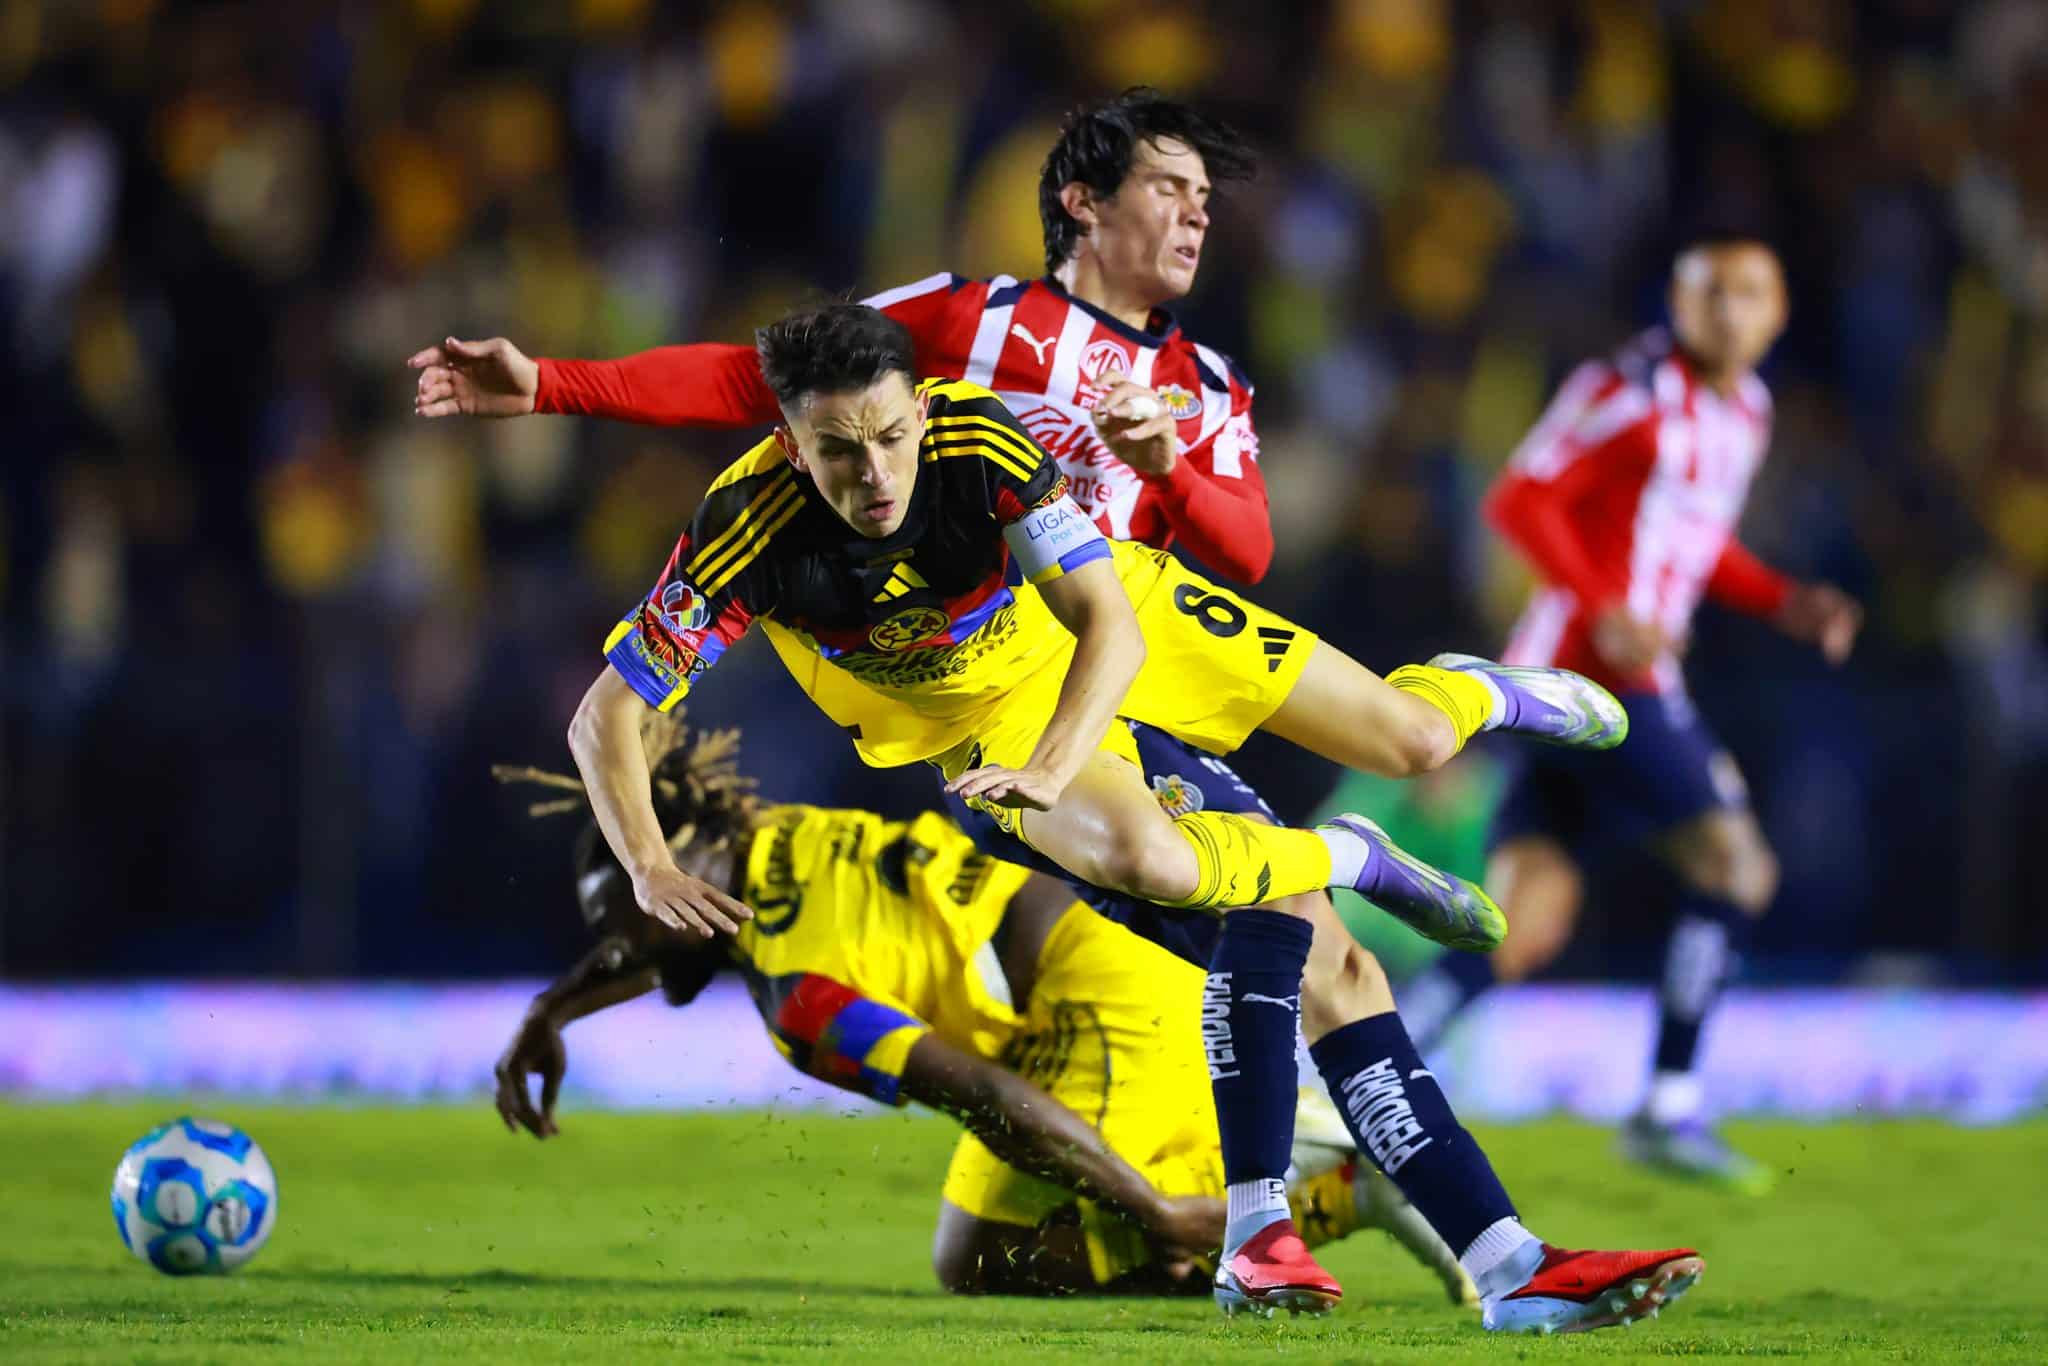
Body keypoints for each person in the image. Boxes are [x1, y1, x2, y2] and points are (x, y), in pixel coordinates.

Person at [409, 88, 1584, 1315]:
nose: (1195, 217)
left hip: (1120, 612)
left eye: (1203, 200)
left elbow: (1240, 548)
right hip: (1029, 688)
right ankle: (1412, 1242)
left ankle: (1459, 715)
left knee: (1400, 741)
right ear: (1082, 199)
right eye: (1168, 190)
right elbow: (759, 375)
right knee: (1283, 931)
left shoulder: (1201, 382)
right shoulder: (960, 324)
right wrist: (552, 382)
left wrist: (1162, 462)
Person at [552, 301, 1701, 1331]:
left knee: (1407, 740)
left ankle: (1484, 689)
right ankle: (1486, 1257)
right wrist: (646, 865)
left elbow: (1106, 617)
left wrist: (1060, 763)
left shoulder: (974, 439)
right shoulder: (743, 529)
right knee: (1207, 889)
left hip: (1115, 630)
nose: (875, 474)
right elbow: (604, 715)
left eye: (890, 435)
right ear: (789, 444)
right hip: (984, 728)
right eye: (836, 452)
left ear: (919, 408)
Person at [491, 715, 1703, 1335]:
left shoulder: (798, 1000)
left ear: (674, 886)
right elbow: (655, 929)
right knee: (973, 1257)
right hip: (1062, 967)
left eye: (631, 927)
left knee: (1009, 1247)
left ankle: (1329, 1191)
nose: (633, 954)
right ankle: (1279, 1192)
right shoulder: (763, 841)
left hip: (1085, 995)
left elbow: (971, 1087)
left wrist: (1147, 1207)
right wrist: (559, 1005)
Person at [1398, 237, 1863, 1191]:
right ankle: (1667, 1103)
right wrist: (1605, 606)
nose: (1729, 313)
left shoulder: (1748, 410)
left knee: (1523, 923)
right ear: (1678, 303)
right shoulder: (1628, 388)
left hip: (1594, 680)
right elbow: (1519, 500)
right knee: (1738, 867)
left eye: (1749, 296)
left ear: (1778, 314)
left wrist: (1786, 601)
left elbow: (1694, 542)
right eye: (1710, 294)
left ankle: (1368, 1068)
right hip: (1591, 680)